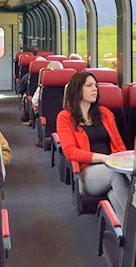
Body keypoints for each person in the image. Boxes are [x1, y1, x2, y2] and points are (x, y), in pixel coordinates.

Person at [56, 70, 129, 215]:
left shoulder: (105, 114)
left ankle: (126, 233)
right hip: (87, 172)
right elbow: (70, 151)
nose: (95, 89)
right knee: (116, 174)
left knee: (116, 193)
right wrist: (104, 158)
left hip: (111, 165)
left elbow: (119, 145)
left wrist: (121, 161)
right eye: (89, 85)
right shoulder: (64, 117)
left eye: (96, 85)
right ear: (77, 90)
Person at [26, 59, 64, 126]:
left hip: (48, 119)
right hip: (64, 119)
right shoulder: (68, 86)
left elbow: (34, 101)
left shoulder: (43, 86)